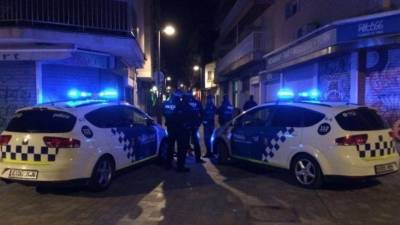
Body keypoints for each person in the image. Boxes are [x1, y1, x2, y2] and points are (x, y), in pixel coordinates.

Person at [162, 91, 181, 170]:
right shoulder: (179, 104)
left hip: (170, 126)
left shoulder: (166, 103)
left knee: (170, 146)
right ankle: (179, 164)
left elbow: (164, 112)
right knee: (180, 146)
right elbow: (181, 114)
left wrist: (168, 118)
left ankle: (168, 164)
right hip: (178, 127)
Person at [184, 92, 205, 163]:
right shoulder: (197, 102)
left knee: (185, 141)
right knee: (196, 142)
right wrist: (199, 123)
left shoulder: (185, 103)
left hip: (187, 125)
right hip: (194, 125)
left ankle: (185, 156)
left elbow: (181, 113)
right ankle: (197, 158)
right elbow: (202, 113)